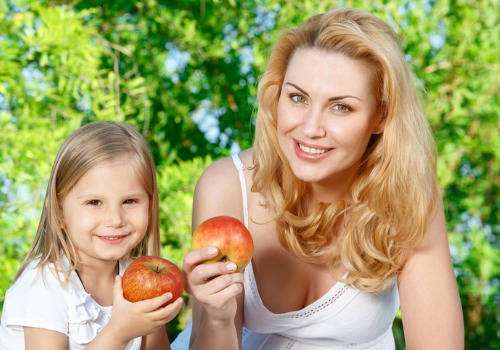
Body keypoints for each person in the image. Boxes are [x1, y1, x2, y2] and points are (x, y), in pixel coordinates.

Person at [172, 7, 464, 350]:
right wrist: (216, 314)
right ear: (277, 96)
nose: (310, 129)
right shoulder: (226, 187)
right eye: (298, 98)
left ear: (381, 116)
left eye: (341, 107)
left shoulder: (407, 195)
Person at [0, 121, 183, 350]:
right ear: (59, 212)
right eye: (94, 202)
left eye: (130, 201)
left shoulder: (139, 277)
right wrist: (119, 332)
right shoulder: (44, 287)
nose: (115, 219)